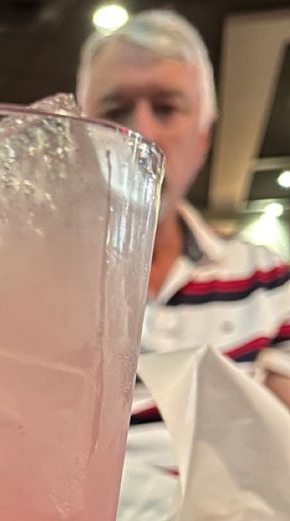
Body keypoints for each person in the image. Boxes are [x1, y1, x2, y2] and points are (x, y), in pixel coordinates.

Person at [76, 10, 290, 467]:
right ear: (78, 136)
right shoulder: (26, 287)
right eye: (114, 111)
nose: (141, 134)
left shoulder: (269, 282)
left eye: (168, 109)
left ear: (205, 136)